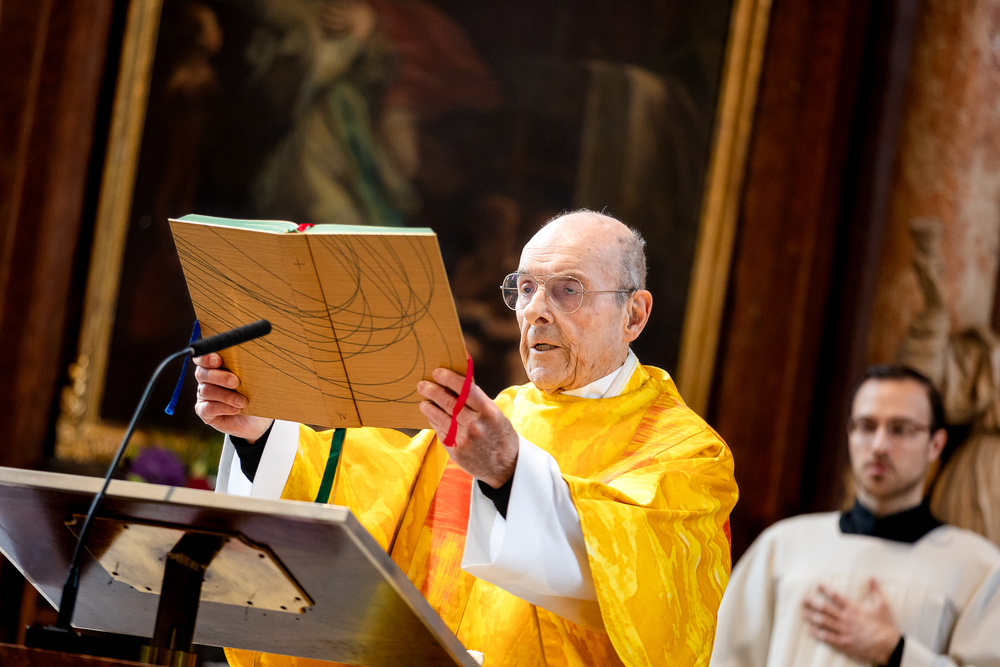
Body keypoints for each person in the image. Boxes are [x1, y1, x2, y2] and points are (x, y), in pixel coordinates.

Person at [194, 210, 738, 666]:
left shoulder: (685, 452)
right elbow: (380, 493)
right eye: (525, 289)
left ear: (633, 315)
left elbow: (636, 584)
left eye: (567, 290)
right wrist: (259, 434)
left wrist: (509, 474)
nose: (536, 311)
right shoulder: (503, 415)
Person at [710, 365, 1000, 667]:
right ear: (849, 434)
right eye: (866, 426)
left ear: (935, 444)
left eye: (900, 429)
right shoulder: (782, 546)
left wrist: (897, 651)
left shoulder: (978, 569)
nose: (879, 446)